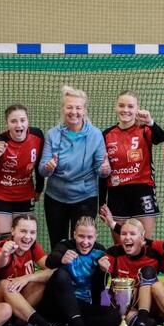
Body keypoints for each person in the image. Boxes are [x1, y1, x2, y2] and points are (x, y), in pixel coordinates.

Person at [0, 215, 76, 326]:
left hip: (17, 312)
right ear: (12, 231)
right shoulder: (3, 247)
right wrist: (4, 253)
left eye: (32, 232)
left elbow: (52, 271)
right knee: (5, 285)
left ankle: (9, 324)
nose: (28, 237)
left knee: (41, 282)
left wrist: (27, 278)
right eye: (23, 231)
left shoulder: (33, 247)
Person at [39, 85, 110, 249]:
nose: (74, 112)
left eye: (78, 108)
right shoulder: (52, 134)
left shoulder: (95, 135)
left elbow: (101, 171)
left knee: (83, 245)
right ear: (63, 109)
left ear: (84, 110)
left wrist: (105, 170)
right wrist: (49, 167)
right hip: (55, 198)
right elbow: (42, 170)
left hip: (85, 198)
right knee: (59, 246)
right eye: (69, 107)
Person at [41, 216, 120, 326]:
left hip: (82, 306)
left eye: (90, 237)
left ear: (96, 237)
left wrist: (102, 272)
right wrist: (61, 259)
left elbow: (100, 288)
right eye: (81, 236)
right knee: (61, 274)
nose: (85, 242)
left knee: (114, 318)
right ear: (74, 235)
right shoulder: (65, 246)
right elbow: (50, 261)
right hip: (59, 304)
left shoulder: (100, 251)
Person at [99, 90, 164, 241]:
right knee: (121, 244)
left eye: (130, 106)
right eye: (121, 105)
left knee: (144, 242)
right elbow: (102, 172)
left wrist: (150, 122)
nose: (125, 110)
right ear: (116, 107)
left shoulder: (145, 129)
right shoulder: (107, 134)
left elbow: (161, 138)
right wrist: (101, 201)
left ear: (137, 109)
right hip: (116, 193)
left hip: (143, 189)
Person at [0, 104, 45, 245]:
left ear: (28, 121)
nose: (19, 125)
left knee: (23, 240)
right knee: (3, 243)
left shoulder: (37, 136)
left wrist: (39, 189)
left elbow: (39, 165)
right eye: (13, 121)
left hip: (24, 194)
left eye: (22, 120)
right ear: (7, 124)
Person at [98, 217, 164, 326]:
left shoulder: (154, 254)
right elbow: (105, 266)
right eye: (124, 234)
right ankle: (138, 322)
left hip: (147, 304)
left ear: (142, 237)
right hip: (122, 305)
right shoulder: (114, 252)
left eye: (132, 234)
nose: (127, 237)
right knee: (110, 321)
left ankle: (141, 323)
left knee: (148, 272)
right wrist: (102, 267)